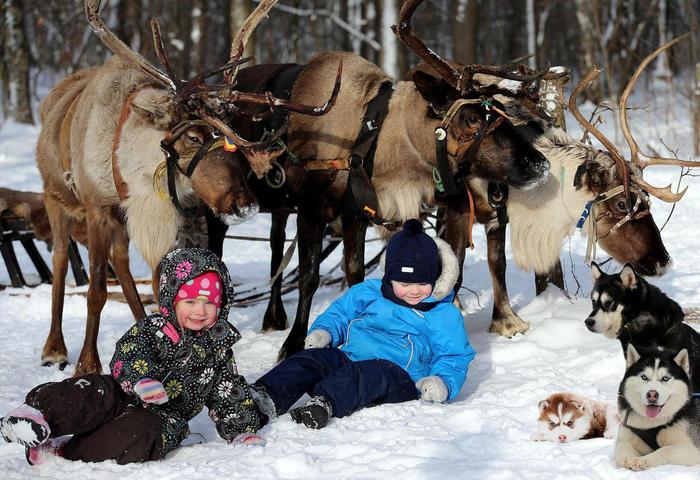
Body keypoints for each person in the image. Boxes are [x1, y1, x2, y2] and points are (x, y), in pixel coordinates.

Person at [0, 248, 265, 465]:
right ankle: (37, 413)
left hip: (163, 418)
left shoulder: (218, 348)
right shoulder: (154, 329)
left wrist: (241, 429)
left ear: (222, 305)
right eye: (191, 301)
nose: (200, 310)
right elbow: (128, 352)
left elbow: (228, 391)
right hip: (121, 391)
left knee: (141, 435)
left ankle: (63, 451)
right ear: (172, 300)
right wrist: (142, 379)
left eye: (209, 303)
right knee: (91, 392)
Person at [252, 219, 476, 429]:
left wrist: (442, 382)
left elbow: (453, 355)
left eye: (422, 282)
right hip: (350, 358)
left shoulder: (442, 313)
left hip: (398, 375)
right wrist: (326, 332)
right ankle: (263, 396)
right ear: (389, 277)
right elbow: (341, 312)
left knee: (369, 373)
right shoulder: (369, 292)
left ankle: (324, 404)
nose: (414, 290)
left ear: (434, 278)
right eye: (404, 283)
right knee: (310, 359)